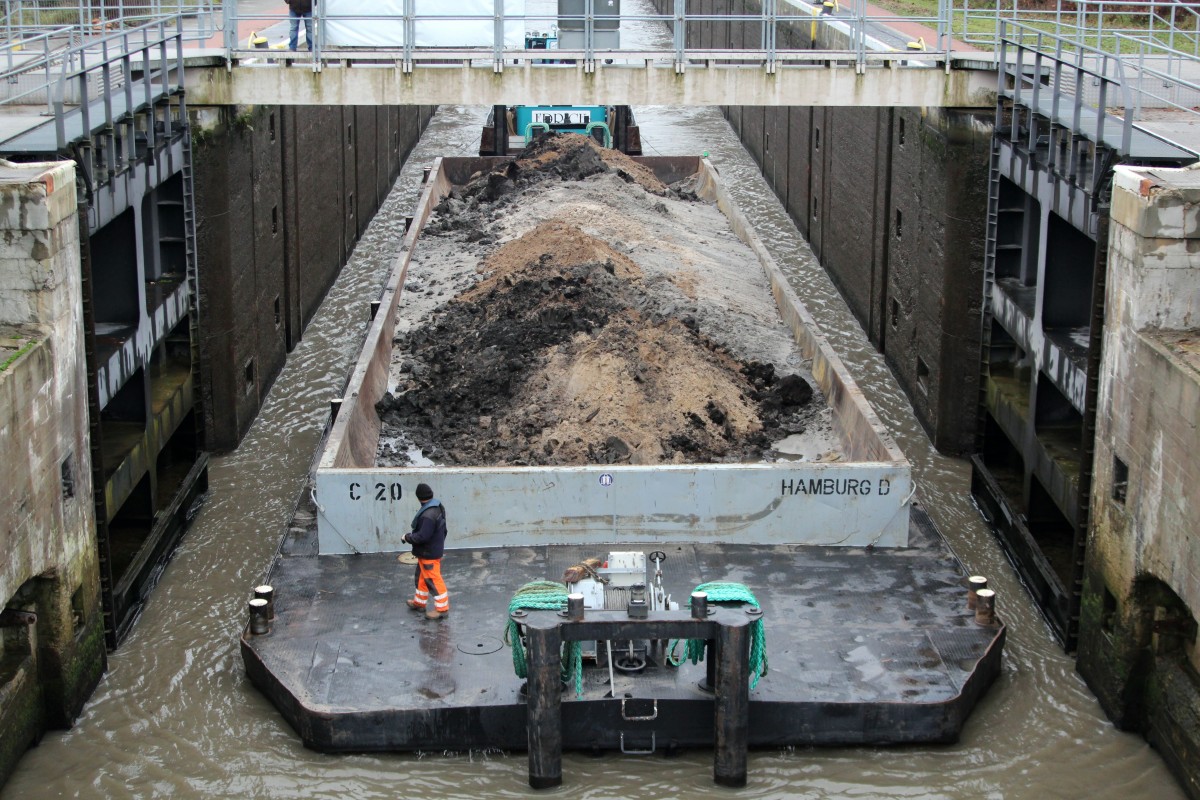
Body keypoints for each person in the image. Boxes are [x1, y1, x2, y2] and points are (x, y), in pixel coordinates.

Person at [404, 483, 450, 620]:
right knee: (422, 578)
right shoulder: (437, 508)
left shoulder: (427, 515)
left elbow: (422, 536)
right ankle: (419, 602)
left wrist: (407, 537)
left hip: (428, 553)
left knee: (433, 580)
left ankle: (442, 609)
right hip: (430, 551)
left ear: (418, 497)